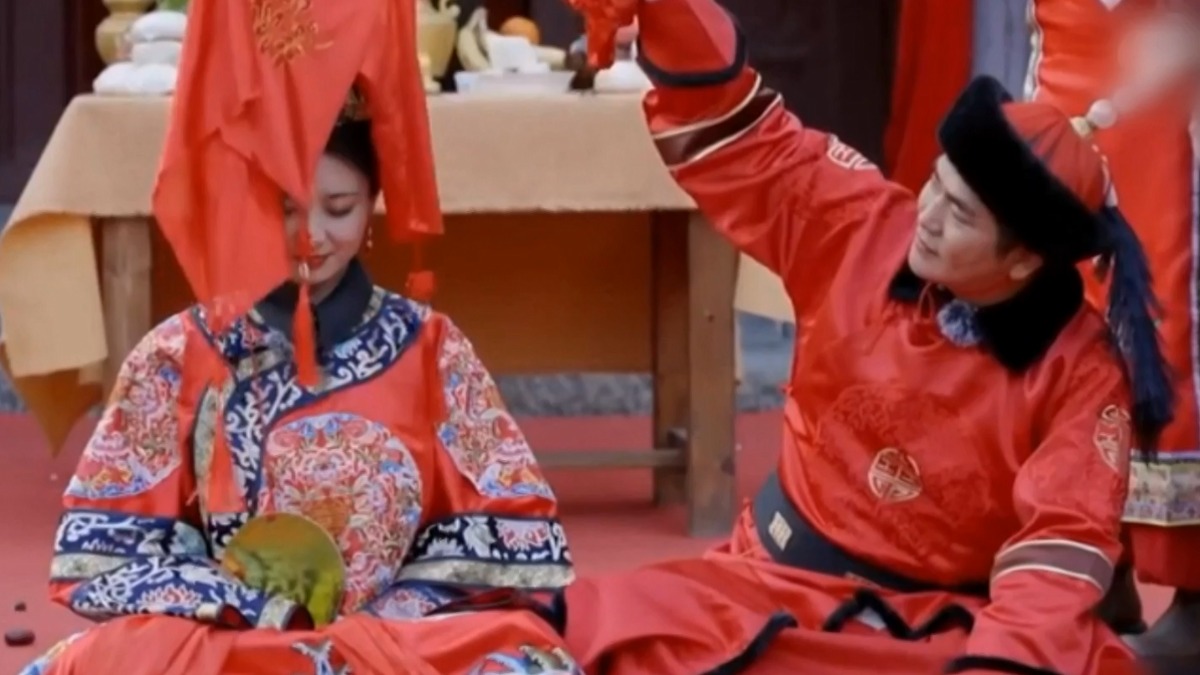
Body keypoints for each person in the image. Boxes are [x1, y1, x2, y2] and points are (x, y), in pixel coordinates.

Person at [555, 0, 1175, 672]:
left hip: (938, 630)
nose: (927, 216)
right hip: (770, 588)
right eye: (935, 184)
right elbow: (749, 136)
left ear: (1024, 260)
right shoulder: (863, 226)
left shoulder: (1080, 371)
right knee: (564, 631)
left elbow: (1058, 552)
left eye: (959, 214)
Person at [17, 0, 577, 673]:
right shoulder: (177, 355)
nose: (311, 238)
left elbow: (512, 533)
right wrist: (245, 603)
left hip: (390, 637)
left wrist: (380, 621)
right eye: (284, 208)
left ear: (372, 202)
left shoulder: (430, 348)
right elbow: (105, 547)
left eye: (338, 209)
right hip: (233, 639)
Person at [1026, 0, 1200, 658]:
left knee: (1177, 310)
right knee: (1072, 305)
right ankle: (1099, 558)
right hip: (1076, 53)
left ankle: (1195, 593)